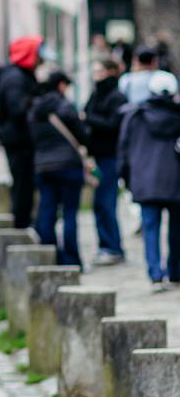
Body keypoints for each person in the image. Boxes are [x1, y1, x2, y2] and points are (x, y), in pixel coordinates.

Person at [117, 71, 180, 291]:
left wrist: (125, 177)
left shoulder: (135, 116)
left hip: (144, 180)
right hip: (175, 181)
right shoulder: (177, 116)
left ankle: (154, 273)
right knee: (176, 229)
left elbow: (124, 149)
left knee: (150, 229)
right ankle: (175, 271)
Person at [28, 69, 88, 268]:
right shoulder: (65, 106)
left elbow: (31, 138)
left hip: (43, 165)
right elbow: (82, 136)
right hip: (69, 165)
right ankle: (71, 259)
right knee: (70, 214)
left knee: (46, 210)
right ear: (61, 85)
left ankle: (50, 256)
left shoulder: (34, 110)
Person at [0, 35, 43, 230]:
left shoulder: (19, 75)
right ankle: (21, 224)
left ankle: (24, 220)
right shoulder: (15, 78)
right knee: (22, 184)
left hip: (20, 139)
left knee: (24, 183)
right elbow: (18, 108)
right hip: (18, 140)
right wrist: (37, 102)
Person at [83, 58, 128, 266]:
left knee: (106, 202)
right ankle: (106, 245)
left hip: (110, 156)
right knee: (99, 203)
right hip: (97, 156)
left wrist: (89, 118)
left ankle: (113, 247)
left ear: (110, 72)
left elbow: (113, 125)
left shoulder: (117, 97)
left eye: (99, 71)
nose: (96, 75)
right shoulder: (96, 94)